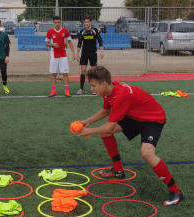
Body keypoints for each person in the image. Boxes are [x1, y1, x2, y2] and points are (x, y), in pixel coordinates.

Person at [74, 66, 184, 206]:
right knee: (105, 133)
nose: (91, 89)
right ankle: (118, 171)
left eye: (93, 86)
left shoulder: (120, 95)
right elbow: (106, 110)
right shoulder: (109, 92)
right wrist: (87, 121)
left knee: (147, 153)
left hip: (153, 118)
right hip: (135, 115)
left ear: (104, 84)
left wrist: (85, 132)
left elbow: (109, 127)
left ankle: (176, 192)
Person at [45, 16, 76, 97]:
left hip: (63, 55)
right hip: (54, 55)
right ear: (53, 23)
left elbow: (70, 42)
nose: (57, 24)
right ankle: (53, 91)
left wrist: (73, 53)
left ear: (61, 22)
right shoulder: (50, 31)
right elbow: (46, 43)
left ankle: (67, 91)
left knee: (65, 73)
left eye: (58, 22)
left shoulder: (65, 31)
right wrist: (52, 44)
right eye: (55, 22)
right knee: (53, 73)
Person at [76, 15, 104, 95]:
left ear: (91, 22)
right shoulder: (82, 32)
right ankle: (81, 89)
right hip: (84, 53)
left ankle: (95, 89)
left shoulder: (95, 31)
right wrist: (78, 54)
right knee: (83, 70)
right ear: (83, 23)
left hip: (93, 53)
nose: (86, 23)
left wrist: (101, 51)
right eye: (85, 22)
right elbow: (79, 44)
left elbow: (100, 41)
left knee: (93, 71)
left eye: (88, 22)